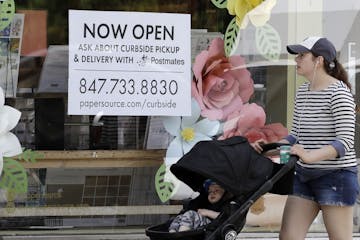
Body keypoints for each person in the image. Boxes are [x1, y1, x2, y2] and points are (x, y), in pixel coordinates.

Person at [253, 36, 358, 239]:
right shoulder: (303, 92)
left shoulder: (339, 93)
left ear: (319, 60)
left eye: (302, 55)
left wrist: (309, 156)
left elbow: (344, 142)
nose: (296, 60)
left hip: (336, 178)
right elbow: (295, 137)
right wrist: (270, 149)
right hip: (304, 176)